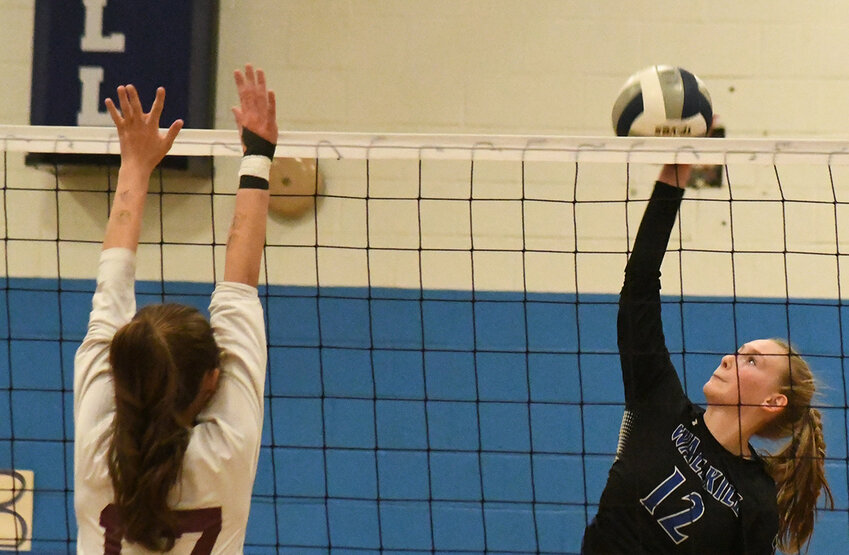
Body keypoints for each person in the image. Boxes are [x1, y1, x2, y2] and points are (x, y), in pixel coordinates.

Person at [73, 64, 278, 553]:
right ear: (214, 378)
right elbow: (239, 286)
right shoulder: (226, 451)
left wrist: (135, 164)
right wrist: (258, 155)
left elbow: (113, 285)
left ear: (121, 373)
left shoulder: (98, 450)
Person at [581, 164, 834, 554]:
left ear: (773, 401)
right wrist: (673, 180)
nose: (730, 359)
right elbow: (639, 286)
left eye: (752, 361)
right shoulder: (659, 401)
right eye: (739, 352)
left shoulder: (755, 499)